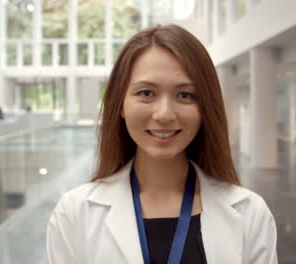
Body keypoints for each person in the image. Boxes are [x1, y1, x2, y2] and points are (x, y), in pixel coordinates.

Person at [46, 24, 278, 264]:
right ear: (120, 104)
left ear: (205, 108)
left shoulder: (250, 213)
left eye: (185, 95)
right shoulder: (75, 213)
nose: (164, 114)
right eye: (146, 93)